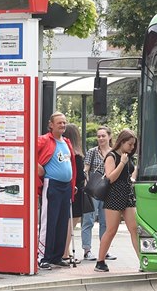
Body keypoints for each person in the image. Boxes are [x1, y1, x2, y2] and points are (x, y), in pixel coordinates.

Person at [95, 129, 139, 272]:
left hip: (127, 194)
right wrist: (122, 163)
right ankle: (100, 261)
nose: (132, 147)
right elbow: (110, 177)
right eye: (130, 144)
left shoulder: (128, 156)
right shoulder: (112, 156)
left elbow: (130, 172)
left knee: (134, 229)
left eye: (133, 145)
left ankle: (143, 260)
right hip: (114, 195)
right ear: (122, 142)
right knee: (111, 230)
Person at [36, 112, 76, 270]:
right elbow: (28, 151)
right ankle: (42, 256)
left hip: (66, 186)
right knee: (48, 221)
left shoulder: (66, 141)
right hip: (51, 184)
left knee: (62, 222)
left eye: (64, 122)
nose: (63, 125)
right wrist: (38, 168)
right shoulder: (44, 140)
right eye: (59, 122)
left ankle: (56, 256)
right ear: (51, 124)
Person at [81, 126, 116, 261]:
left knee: (105, 221)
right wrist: (87, 185)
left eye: (103, 136)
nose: (101, 138)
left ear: (109, 136)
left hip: (108, 190)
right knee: (89, 219)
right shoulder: (92, 152)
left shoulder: (113, 153)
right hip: (94, 190)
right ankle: (87, 250)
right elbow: (86, 169)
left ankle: (104, 250)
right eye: (99, 136)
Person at [62, 124, 94, 265]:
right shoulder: (77, 155)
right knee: (71, 224)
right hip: (77, 192)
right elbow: (81, 176)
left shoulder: (66, 154)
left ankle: (66, 252)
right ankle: (65, 253)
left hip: (68, 191)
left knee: (67, 224)